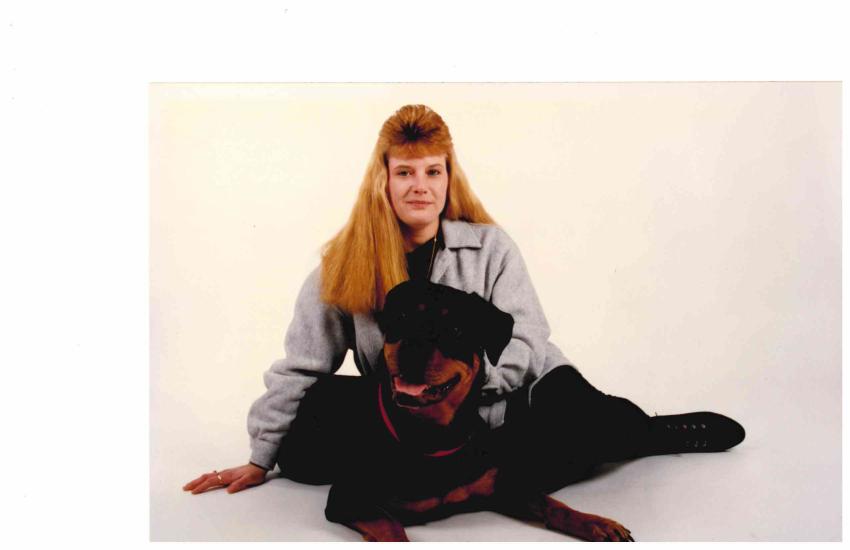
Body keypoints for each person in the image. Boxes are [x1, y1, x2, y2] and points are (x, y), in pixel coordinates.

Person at [183, 104, 744, 497]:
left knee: (589, 428)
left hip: (520, 391)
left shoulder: (490, 246)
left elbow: (528, 336)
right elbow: (303, 365)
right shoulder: (343, 264)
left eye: (433, 171)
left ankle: (650, 433)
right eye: (405, 172)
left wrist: (477, 399)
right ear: (383, 181)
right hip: (419, 414)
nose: (420, 185)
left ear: (449, 177)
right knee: (307, 448)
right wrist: (261, 457)